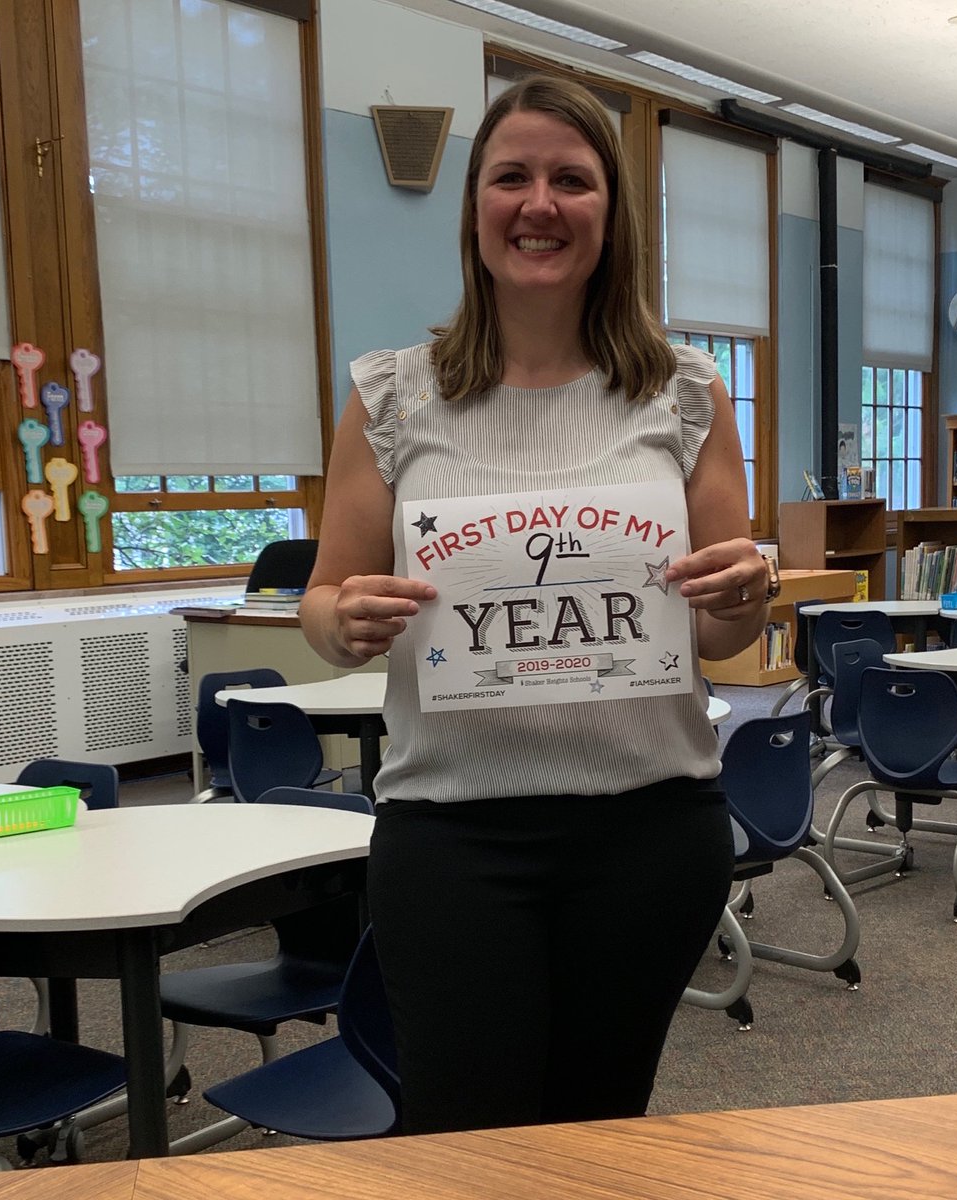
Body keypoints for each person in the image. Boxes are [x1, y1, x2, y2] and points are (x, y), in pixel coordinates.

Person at [299, 75, 771, 1135]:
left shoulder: (685, 393)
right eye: (511, 176)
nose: (540, 203)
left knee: (599, 1134)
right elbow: (324, 608)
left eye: (572, 178)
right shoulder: (390, 397)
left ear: (612, 213)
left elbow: (720, 631)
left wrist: (743, 593)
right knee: (464, 1135)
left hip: (650, 833)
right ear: (475, 209)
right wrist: (343, 619)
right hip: (454, 838)